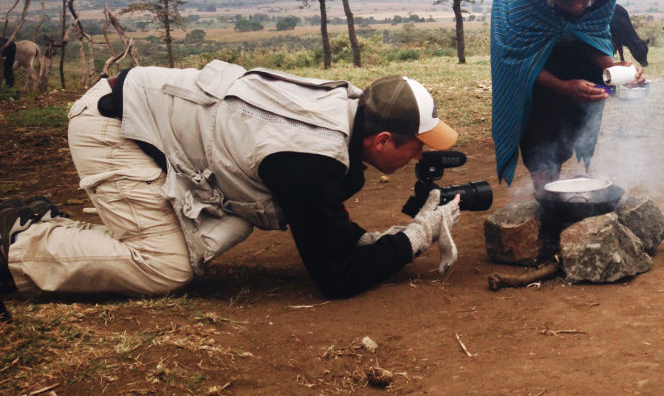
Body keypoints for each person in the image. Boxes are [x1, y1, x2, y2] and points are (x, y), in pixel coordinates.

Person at [1, 61, 462, 300]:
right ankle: (19, 245)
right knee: (165, 268)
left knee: (230, 221)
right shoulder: (311, 160)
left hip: (158, 127)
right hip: (119, 127)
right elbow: (336, 278)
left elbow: (322, 221)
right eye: (416, 146)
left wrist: (366, 241)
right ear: (381, 141)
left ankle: (49, 230)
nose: (420, 155)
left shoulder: (348, 108)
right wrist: (413, 238)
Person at [490, 0, 644, 188]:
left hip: (578, 52)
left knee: (580, 113)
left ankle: (569, 161)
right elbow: (515, 59)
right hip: (533, 55)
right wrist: (562, 86)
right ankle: (546, 191)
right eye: (564, 1)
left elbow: (592, 32)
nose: (576, 7)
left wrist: (611, 66)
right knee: (539, 127)